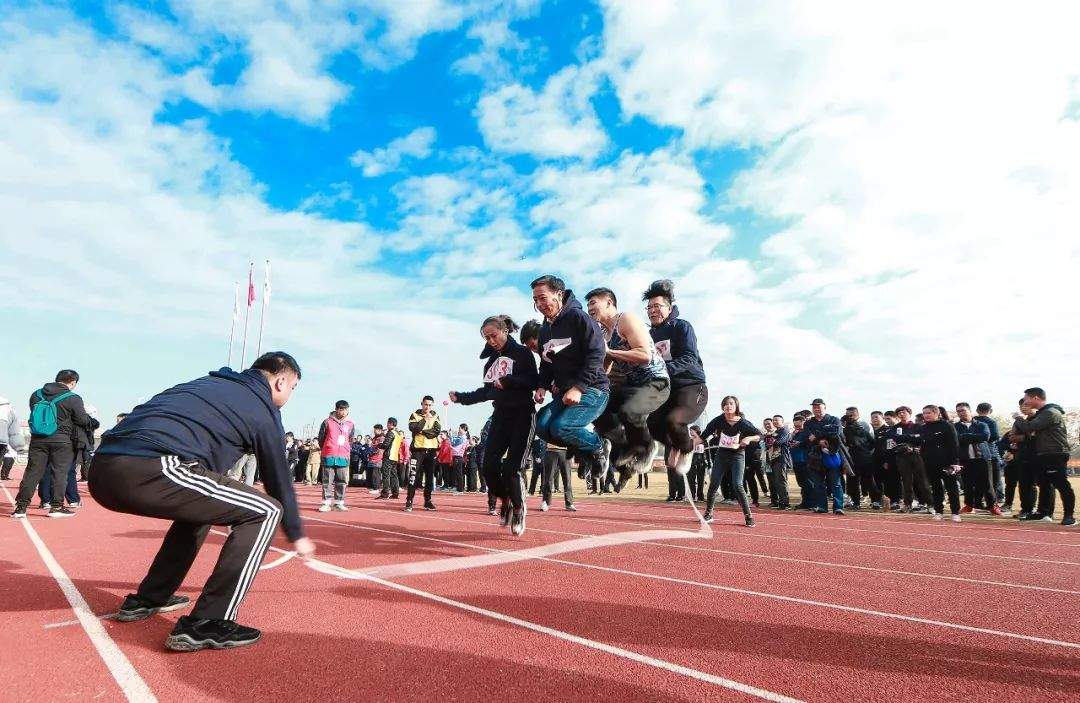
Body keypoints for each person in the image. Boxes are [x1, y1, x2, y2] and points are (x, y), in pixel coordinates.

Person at [87, 352, 315, 651]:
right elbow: (278, 478)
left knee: (200, 511)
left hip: (102, 468)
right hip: (153, 465)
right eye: (293, 389)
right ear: (281, 381)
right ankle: (208, 623)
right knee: (267, 510)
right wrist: (296, 533)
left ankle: (150, 597)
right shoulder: (262, 407)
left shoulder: (205, 385)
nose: (290, 396)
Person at [451, 315, 539, 533]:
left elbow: (532, 381)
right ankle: (506, 500)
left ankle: (519, 508)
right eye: (486, 337)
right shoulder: (491, 362)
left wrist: (509, 381)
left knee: (511, 468)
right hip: (500, 417)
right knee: (488, 466)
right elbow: (486, 392)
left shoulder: (522, 353)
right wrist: (461, 397)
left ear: (505, 331)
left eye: (494, 335)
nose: (490, 341)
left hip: (523, 415)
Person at [585, 287, 671, 491]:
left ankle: (647, 446)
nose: (590, 308)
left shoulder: (626, 319)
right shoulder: (603, 334)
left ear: (609, 303)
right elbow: (606, 366)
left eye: (593, 302)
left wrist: (610, 351)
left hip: (655, 381)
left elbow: (644, 355)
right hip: (631, 386)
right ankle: (624, 446)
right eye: (588, 304)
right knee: (596, 405)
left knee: (629, 411)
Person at [531, 276, 610, 487]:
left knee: (561, 427)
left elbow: (597, 353)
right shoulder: (545, 330)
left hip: (592, 389)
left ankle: (597, 447)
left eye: (543, 298)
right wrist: (541, 385)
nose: (539, 305)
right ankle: (584, 451)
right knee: (542, 425)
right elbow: (546, 364)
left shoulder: (578, 317)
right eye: (535, 300)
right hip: (565, 393)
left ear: (559, 294)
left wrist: (578, 387)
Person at [642, 280, 708, 485]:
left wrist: (662, 370)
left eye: (658, 306)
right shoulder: (648, 335)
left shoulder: (681, 327)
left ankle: (687, 448)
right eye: (649, 307)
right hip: (666, 389)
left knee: (674, 420)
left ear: (669, 308)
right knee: (652, 424)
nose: (653, 311)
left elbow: (689, 357)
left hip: (691, 386)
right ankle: (677, 445)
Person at [12, 369, 91, 519]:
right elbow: (81, 420)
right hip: (62, 440)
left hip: (37, 439)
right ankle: (56, 507)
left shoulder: (36, 394)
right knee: (59, 473)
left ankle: (20, 507)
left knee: (32, 473)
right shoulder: (73, 398)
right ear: (73, 382)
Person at [1010, 387, 1075, 526]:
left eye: (1026, 398)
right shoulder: (1042, 413)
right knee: (1044, 483)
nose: (1025, 402)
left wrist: (1018, 418)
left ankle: (1069, 516)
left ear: (1035, 398)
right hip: (1043, 454)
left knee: (1062, 484)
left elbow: (1029, 427)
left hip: (1055, 453)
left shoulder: (1050, 413)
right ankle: (1043, 513)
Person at [700, 396, 760, 527]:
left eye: (731, 404)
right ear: (723, 407)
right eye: (725, 404)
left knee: (738, 485)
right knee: (714, 484)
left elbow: (758, 435)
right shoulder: (718, 420)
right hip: (722, 455)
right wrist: (688, 444)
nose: (728, 406)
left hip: (737, 455)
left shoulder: (743, 422)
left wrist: (748, 438)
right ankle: (708, 513)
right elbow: (703, 436)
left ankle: (748, 516)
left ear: (736, 406)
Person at [886, 406, 937, 516]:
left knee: (923, 481)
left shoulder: (918, 426)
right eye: (899, 412)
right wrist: (910, 438)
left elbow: (920, 439)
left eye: (904, 412)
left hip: (917, 455)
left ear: (909, 413)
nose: (901, 414)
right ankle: (907, 504)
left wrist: (906, 439)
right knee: (906, 482)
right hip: (902, 457)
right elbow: (893, 438)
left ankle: (930, 504)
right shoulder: (894, 428)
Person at [955, 402, 1002, 516]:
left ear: (970, 411)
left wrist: (965, 436)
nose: (961, 413)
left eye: (963, 410)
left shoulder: (981, 424)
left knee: (987, 484)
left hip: (983, 458)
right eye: (958, 411)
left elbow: (985, 436)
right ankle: (969, 506)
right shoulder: (955, 426)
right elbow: (956, 439)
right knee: (967, 484)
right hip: (965, 459)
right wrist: (974, 437)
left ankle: (992, 506)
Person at [919, 405, 962, 522]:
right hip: (930, 463)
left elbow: (954, 444)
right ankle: (938, 511)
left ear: (936, 413)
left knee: (951, 488)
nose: (926, 415)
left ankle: (955, 512)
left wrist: (955, 462)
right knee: (936, 488)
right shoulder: (923, 428)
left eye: (928, 413)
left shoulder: (947, 426)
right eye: (924, 413)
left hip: (947, 462)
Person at [803, 399, 845, 515]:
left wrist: (817, 437)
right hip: (815, 457)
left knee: (836, 483)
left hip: (831, 455)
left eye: (819, 406)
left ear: (824, 407)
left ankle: (838, 507)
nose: (816, 409)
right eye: (814, 407)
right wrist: (822, 438)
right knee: (818, 484)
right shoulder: (808, 423)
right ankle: (821, 506)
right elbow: (809, 438)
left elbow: (836, 433)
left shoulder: (834, 419)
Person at [316, 400, 354, 512]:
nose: (344, 412)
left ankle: (339, 502)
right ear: (336, 409)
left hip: (343, 455)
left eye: (346, 410)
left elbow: (350, 439)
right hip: (329, 454)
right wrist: (327, 447)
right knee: (327, 480)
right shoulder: (327, 422)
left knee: (342, 480)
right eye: (342, 409)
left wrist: (346, 448)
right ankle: (326, 503)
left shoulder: (351, 424)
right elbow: (321, 438)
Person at [406, 396, 442, 512]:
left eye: (430, 405)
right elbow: (413, 429)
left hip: (431, 451)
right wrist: (424, 420)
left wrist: (422, 431)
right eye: (426, 404)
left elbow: (435, 432)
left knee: (430, 477)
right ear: (422, 404)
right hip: (418, 450)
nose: (428, 407)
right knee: (413, 476)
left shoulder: (436, 416)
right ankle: (409, 500)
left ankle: (428, 501)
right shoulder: (415, 415)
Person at [976, 402, 1006, 507]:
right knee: (994, 478)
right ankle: (995, 500)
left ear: (977, 410)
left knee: (978, 478)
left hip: (974, 452)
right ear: (991, 411)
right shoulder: (991, 422)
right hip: (990, 452)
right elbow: (995, 436)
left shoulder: (974, 421)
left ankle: (978, 501)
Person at [765, 415, 793, 510]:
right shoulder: (776, 432)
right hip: (773, 459)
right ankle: (779, 502)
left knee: (781, 481)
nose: (775, 422)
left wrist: (772, 441)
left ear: (782, 421)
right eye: (774, 420)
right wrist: (771, 441)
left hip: (781, 459)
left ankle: (785, 503)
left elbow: (779, 442)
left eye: (777, 420)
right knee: (776, 481)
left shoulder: (784, 430)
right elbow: (767, 444)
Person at [377, 418, 404, 500]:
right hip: (395, 457)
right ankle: (395, 493)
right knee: (394, 476)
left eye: (387, 423)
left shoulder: (391, 433)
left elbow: (385, 445)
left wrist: (378, 445)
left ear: (390, 424)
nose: (387, 425)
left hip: (388, 456)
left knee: (386, 475)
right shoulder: (398, 433)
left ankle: (385, 493)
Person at [1, 395, 25, 481]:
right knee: (5, 462)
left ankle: (5, 475)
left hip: (6, 444)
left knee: (8, 464)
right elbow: (12, 432)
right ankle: (3, 475)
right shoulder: (9, 412)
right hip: (4, 443)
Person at [450, 425, 469, 493]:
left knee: (459, 473)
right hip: (456, 456)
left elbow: (456, 448)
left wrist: (451, 446)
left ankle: (460, 489)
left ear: (464, 430)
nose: (459, 430)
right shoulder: (460, 438)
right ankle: (459, 488)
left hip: (458, 456)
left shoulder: (463, 438)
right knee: (457, 473)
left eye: (460, 428)